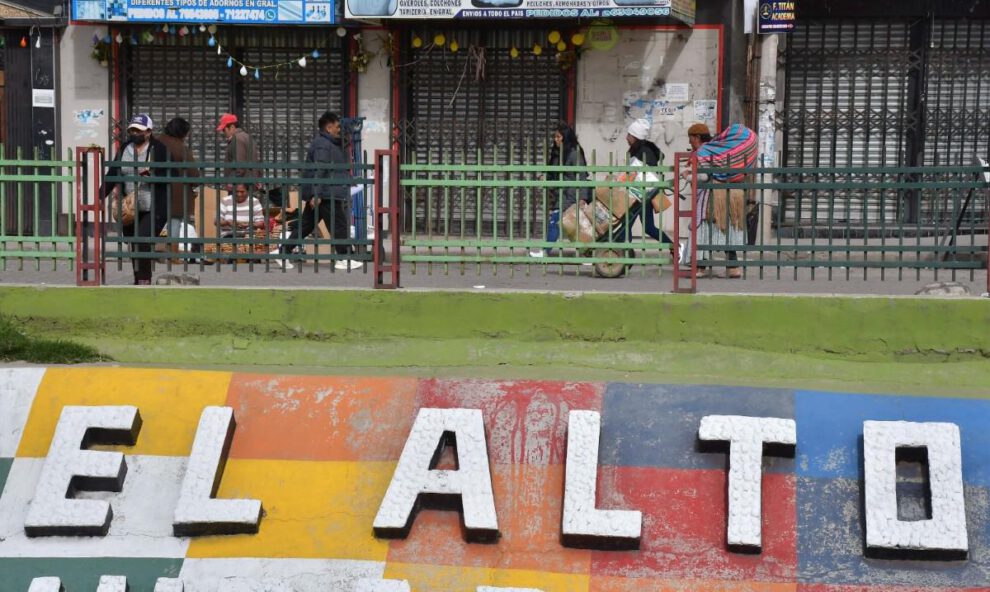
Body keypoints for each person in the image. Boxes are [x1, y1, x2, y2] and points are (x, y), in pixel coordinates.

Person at [281, 111, 355, 271]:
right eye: (337, 127)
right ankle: (344, 257)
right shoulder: (323, 144)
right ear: (329, 128)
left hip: (325, 192)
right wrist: (316, 193)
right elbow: (320, 169)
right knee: (339, 225)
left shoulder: (328, 143)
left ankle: (283, 252)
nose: (339, 130)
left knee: (306, 225)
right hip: (325, 193)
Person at [104, 114, 171, 285]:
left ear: (149, 132)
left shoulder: (159, 149)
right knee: (133, 242)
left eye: (139, 130)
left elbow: (172, 174)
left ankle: (144, 279)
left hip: (152, 206)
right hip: (130, 206)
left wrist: (153, 174)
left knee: (142, 239)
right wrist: (100, 196)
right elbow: (113, 173)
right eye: (132, 130)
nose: (135, 133)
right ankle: (137, 279)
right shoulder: (125, 148)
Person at [688, 122, 757, 279]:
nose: (689, 142)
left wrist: (688, 176)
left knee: (703, 229)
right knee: (728, 230)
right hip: (733, 195)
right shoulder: (722, 149)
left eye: (690, 138)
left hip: (713, 197)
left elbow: (705, 176)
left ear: (696, 137)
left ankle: (700, 267)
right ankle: (733, 268)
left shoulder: (704, 150)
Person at [529, 123, 592, 258]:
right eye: (555, 137)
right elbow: (554, 174)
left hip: (571, 194)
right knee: (574, 228)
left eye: (558, 137)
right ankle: (588, 255)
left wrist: (583, 198)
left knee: (555, 222)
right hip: (563, 194)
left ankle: (545, 251)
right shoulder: (558, 153)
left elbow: (582, 177)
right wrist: (545, 177)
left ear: (566, 137)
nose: (555, 139)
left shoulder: (574, 153)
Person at [624, 118, 679, 262]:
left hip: (642, 193)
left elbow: (641, 174)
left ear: (635, 137)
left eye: (629, 135)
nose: (626, 138)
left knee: (627, 223)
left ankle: (625, 252)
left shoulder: (644, 152)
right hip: (641, 193)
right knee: (647, 227)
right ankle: (673, 246)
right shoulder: (641, 150)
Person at [158, 117, 201, 258]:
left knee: (154, 220)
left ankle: (149, 248)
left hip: (156, 190)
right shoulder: (180, 147)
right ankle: (173, 253)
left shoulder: (157, 142)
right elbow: (193, 173)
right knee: (174, 221)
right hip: (177, 193)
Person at [216, 113, 260, 192]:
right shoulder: (245, 136)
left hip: (241, 188)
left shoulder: (237, 139)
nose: (223, 132)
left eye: (224, 129)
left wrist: (230, 183)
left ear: (232, 127)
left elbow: (240, 166)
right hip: (246, 186)